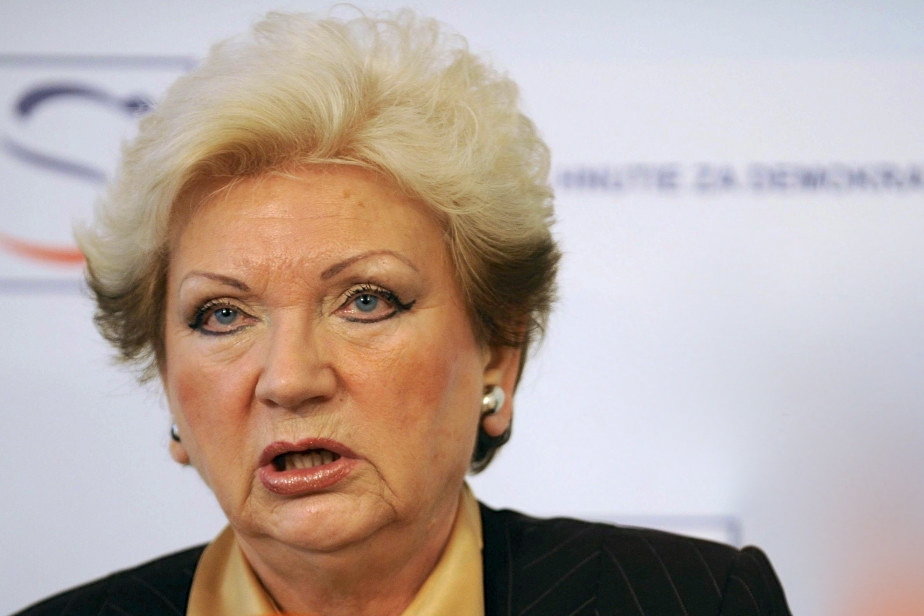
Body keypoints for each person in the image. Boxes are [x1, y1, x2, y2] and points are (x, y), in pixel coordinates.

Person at [14, 9, 791, 616]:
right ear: (165, 375)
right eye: (222, 315)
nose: (289, 380)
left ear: (498, 351)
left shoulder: (693, 602)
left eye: (366, 301)